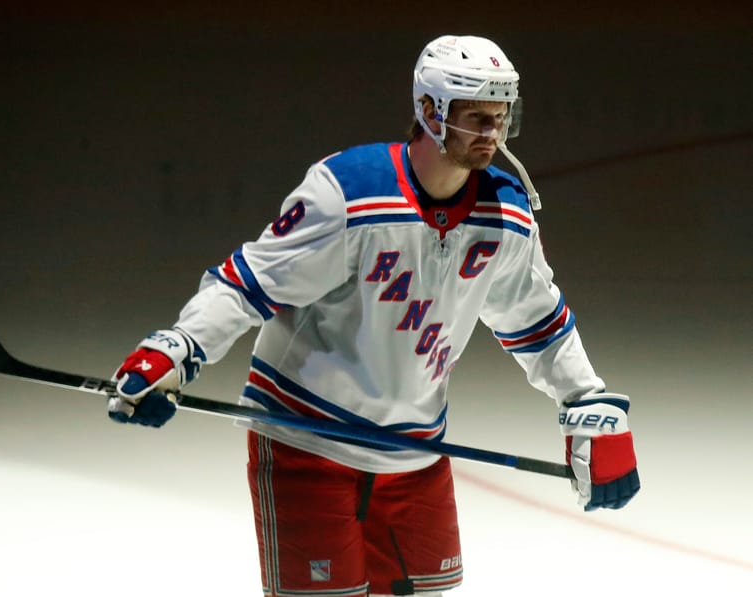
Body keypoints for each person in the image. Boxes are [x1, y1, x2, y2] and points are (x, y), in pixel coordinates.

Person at [107, 34, 640, 597]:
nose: (492, 134)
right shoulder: (350, 193)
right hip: (307, 442)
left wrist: (588, 401)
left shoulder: (504, 212)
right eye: (476, 117)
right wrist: (178, 349)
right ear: (431, 111)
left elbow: (537, 322)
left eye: (501, 118)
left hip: (417, 453)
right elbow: (249, 282)